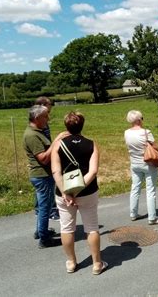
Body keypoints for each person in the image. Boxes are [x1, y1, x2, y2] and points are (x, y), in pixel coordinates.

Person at [51, 111, 108, 275]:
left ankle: (71, 262)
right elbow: (93, 171)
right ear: (82, 125)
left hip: (63, 194)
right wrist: (78, 190)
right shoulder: (91, 144)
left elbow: (56, 171)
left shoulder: (58, 145)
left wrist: (66, 192)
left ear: (66, 125)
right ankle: (97, 264)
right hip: (87, 191)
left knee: (67, 228)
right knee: (91, 227)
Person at [23, 105, 67, 248]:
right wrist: (57, 141)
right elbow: (43, 158)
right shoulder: (32, 135)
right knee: (45, 207)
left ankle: (40, 231)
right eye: (45, 116)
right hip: (42, 176)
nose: (48, 119)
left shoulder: (37, 131)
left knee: (44, 205)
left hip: (43, 175)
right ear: (37, 118)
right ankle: (44, 239)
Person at [124, 110, 158, 225]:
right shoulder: (146, 132)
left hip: (134, 163)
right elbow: (155, 147)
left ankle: (133, 213)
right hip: (148, 164)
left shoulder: (126, 132)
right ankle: (152, 217)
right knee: (150, 190)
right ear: (138, 120)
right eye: (142, 118)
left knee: (135, 188)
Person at [34, 96, 60, 221]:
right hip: (45, 156)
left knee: (43, 188)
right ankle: (50, 211)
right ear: (43, 105)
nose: (51, 106)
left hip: (47, 153)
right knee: (47, 185)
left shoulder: (43, 120)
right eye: (50, 104)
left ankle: (40, 209)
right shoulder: (40, 123)